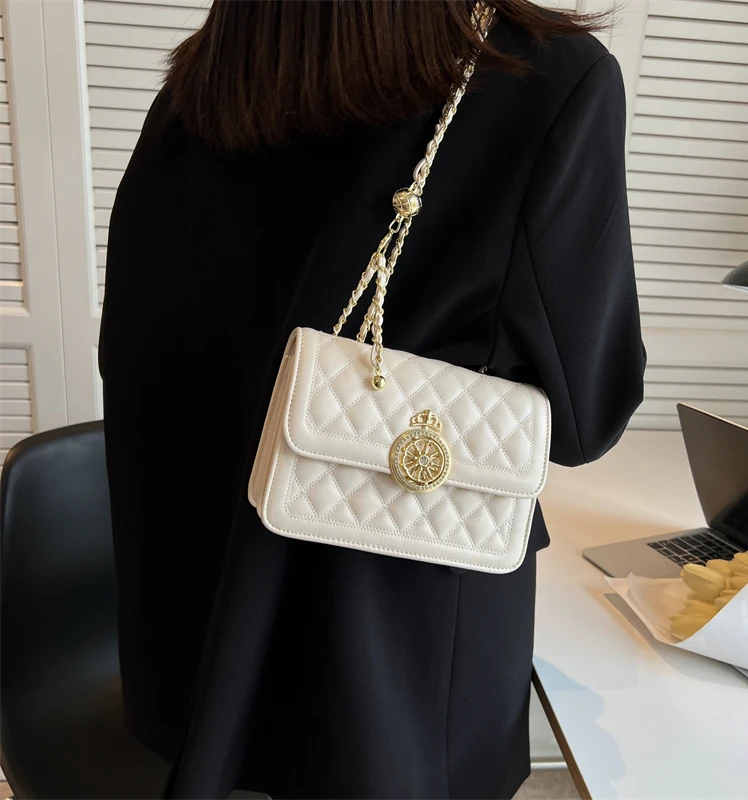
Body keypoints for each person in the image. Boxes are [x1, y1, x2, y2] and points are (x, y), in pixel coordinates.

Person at [99, 2, 645, 797]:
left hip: (194, 651)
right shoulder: (545, 79)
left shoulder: (202, 87)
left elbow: (139, 349)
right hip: (390, 674)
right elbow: (585, 416)